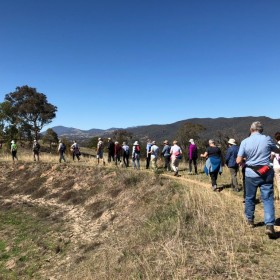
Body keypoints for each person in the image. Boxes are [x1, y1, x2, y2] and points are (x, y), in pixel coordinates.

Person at [236, 121, 280, 238]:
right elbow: (276, 150)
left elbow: (238, 161)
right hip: (266, 173)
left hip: (251, 174)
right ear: (261, 130)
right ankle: (270, 225)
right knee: (268, 198)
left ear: (251, 130)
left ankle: (250, 220)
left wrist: (246, 160)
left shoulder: (245, 141)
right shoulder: (267, 139)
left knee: (250, 197)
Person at [271, 132, 280, 201]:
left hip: (277, 166)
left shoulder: (275, 146)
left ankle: (278, 197)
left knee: (278, 182)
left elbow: (271, 157)